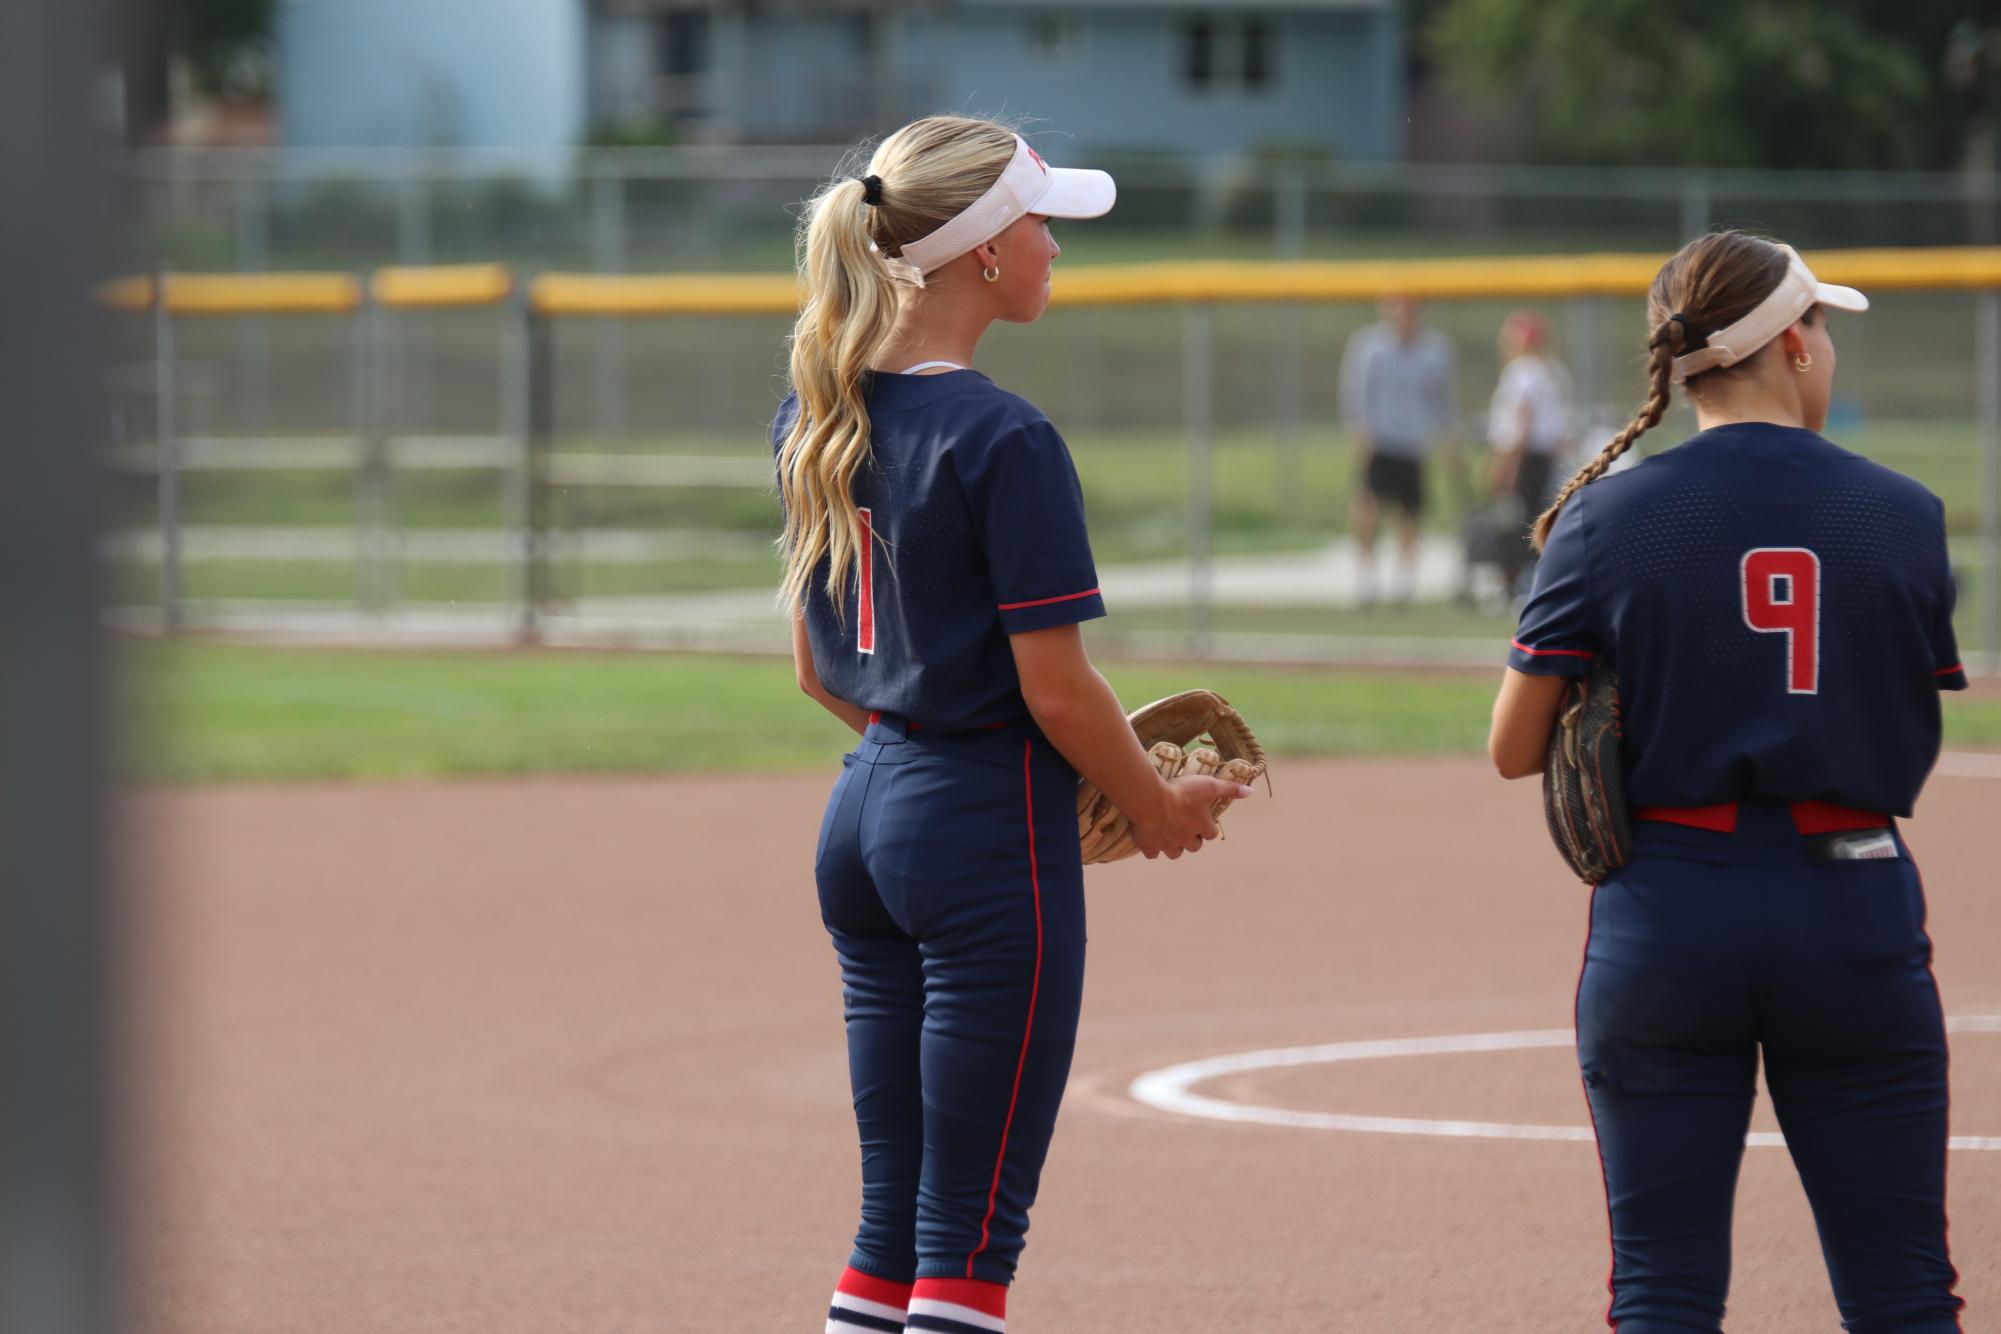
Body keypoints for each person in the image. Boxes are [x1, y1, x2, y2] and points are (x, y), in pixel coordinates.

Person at [773, 116, 1248, 1334]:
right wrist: (1152, 805)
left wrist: (928, 737)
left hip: (864, 813)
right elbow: (1056, 690)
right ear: (984, 253)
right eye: (1041, 223)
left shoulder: (816, 412)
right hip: (979, 835)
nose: (1053, 246)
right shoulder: (1006, 436)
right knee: (969, 1245)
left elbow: (821, 670)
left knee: (892, 1232)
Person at [1488, 231, 1966, 1332]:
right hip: (1852, 901)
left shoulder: (1606, 514)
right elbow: (1908, 698)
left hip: (1669, 909)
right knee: (1902, 1291)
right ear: (1794, 345)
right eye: (1825, 330)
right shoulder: (1903, 510)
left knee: (1663, 1290)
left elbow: (1515, 749)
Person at [1337, 293, 1457, 605]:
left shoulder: (1434, 349)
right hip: (1380, 438)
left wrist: (1446, 441)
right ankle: (1366, 576)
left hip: (1413, 441)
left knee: (1410, 512)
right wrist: (1359, 432)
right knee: (1367, 507)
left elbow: (1441, 400)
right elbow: (1355, 391)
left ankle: (1404, 580)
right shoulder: (1369, 344)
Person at [1479, 308, 1574, 598]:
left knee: (1515, 522)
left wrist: (1506, 466)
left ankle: (1513, 584)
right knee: (1539, 521)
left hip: (1524, 456)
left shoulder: (1522, 371)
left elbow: (1522, 421)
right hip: (1547, 458)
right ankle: (1535, 581)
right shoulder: (1554, 371)